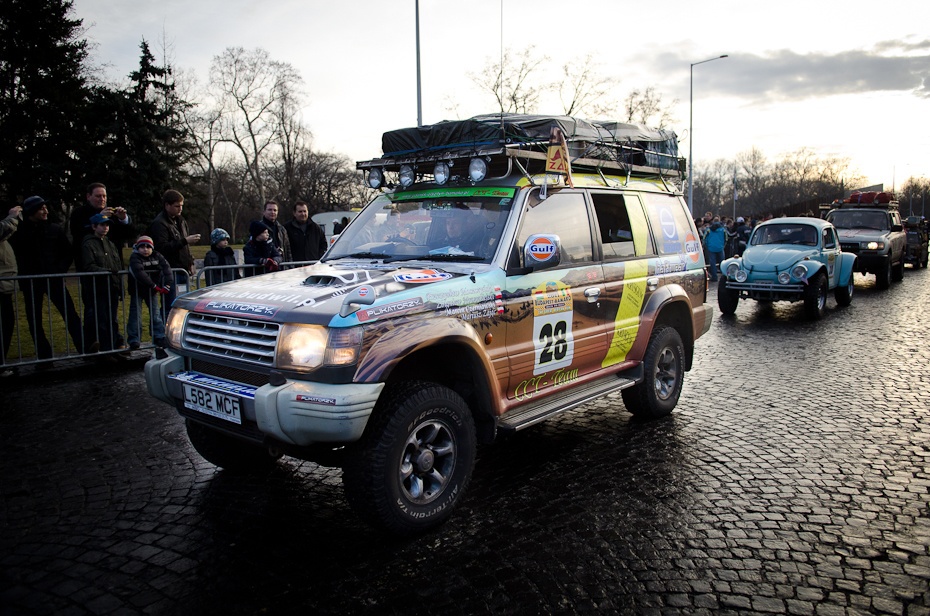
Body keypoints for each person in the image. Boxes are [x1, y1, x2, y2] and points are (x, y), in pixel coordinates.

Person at [9, 196, 85, 359]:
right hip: (31, 281)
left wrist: (59, 270)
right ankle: (44, 355)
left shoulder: (54, 229)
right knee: (34, 319)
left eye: (46, 207)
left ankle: (83, 347)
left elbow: (67, 252)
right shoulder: (20, 232)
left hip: (54, 279)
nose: (46, 211)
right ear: (31, 211)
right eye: (41, 208)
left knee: (70, 313)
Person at [70, 182, 132, 350]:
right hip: (92, 271)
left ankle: (113, 342)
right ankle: (94, 343)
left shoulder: (110, 221)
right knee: (94, 310)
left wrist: (123, 219)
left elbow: (127, 234)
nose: (102, 199)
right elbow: (77, 234)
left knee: (111, 313)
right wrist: (98, 217)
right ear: (88, 196)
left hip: (111, 270)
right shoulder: (79, 214)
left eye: (104, 196)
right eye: (98, 196)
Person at [148, 189, 199, 319]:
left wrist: (190, 262)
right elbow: (161, 248)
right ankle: (165, 331)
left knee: (182, 304)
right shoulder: (159, 223)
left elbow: (185, 248)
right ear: (167, 205)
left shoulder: (181, 221)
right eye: (177, 206)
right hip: (169, 271)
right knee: (170, 305)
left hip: (182, 269)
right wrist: (184, 241)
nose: (180, 209)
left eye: (181, 206)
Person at [80, 213, 125, 357]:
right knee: (102, 320)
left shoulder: (110, 243)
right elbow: (89, 266)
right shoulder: (88, 244)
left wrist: (119, 286)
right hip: (98, 289)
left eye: (107, 225)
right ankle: (105, 350)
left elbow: (117, 265)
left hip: (111, 287)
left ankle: (113, 347)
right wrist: (107, 272)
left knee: (112, 319)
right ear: (94, 226)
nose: (106, 228)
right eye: (102, 225)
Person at [127, 236, 171, 350]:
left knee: (156, 313)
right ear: (137, 248)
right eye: (142, 247)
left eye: (148, 247)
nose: (145, 249)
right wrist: (154, 285)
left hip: (151, 291)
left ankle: (159, 336)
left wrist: (167, 284)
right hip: (137, 289)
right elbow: (139, 273)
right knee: (135, 314)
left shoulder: (157, 255)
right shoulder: (135, 257)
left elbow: (167, 268)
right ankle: (134, 339)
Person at [0, 204, 22, 377]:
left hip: (4, 286)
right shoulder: (7, 222)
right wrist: (13, 217)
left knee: (7, 324)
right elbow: (3, 229)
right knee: (5, 324)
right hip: (1, 286)